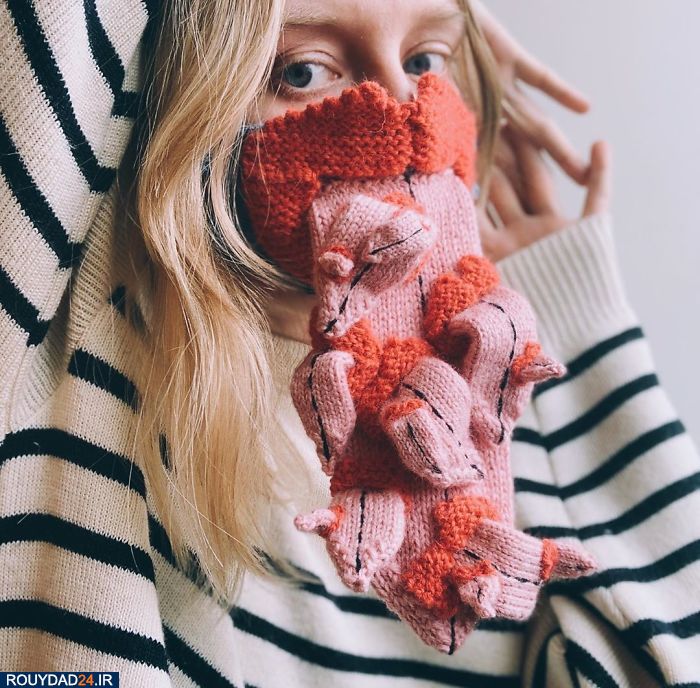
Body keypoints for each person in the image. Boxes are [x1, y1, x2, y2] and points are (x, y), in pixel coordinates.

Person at [0, 1, 697, 686]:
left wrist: (576, 328)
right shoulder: (74, 339)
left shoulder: (486, 402)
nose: (403, 102)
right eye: (301, 72)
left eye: (426, 62)